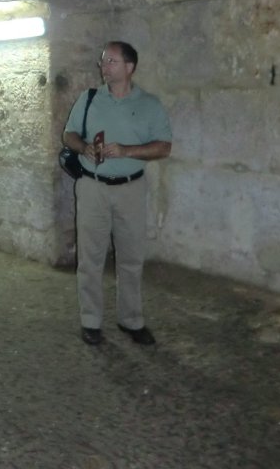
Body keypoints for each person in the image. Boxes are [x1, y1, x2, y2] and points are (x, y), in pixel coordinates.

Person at [62, 41, 172, 347]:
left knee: (131, 257)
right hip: (92, 186)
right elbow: (68, 135)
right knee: (90, 257)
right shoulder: (89, 98)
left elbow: (164, 146)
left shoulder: (150, 104)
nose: (103, 66)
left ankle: (131, 320)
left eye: (111, 61)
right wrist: (82, 146)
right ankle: (91, 321)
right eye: (102, 61)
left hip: (131, 188)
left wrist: (127, 150)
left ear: (129, 67)